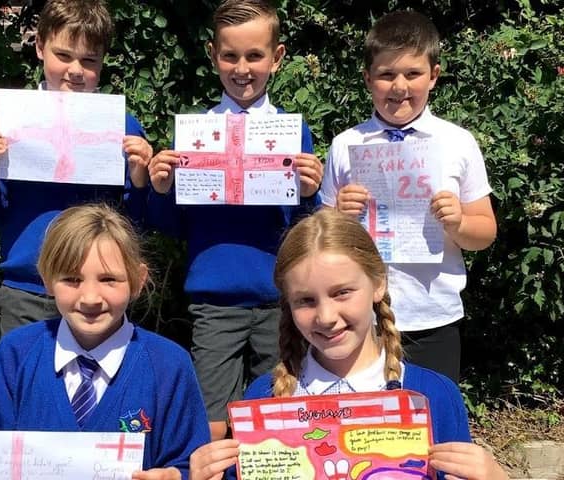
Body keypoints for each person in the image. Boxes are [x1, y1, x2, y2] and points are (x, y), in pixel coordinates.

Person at [187, 208, 508, 480]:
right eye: (306, 300)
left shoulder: (434, 394)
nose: (326, 316)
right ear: (286, 303)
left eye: (342, 292)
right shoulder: (263, 398)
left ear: (378, 283)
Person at [0, 204, 210, 480]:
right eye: (72, 280)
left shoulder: (169, 365)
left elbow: (191, 462)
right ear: (47, 280)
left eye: (109, 279)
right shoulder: (17, 354)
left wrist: (178, 476)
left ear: (137, 280)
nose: (90, 298)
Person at [146, 0, 323, 440]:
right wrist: (161, 189)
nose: (242, 68)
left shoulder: (292, 132)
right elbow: (170, 225)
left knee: (279, 418)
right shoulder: (193, 132)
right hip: (214, 300)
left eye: (254, 56)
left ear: (276, 58)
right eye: (230, 56)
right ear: (213, 55)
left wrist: (309, 194)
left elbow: (306, 226)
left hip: (280, 299)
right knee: (211, 422)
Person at [319, 10, 497, 382]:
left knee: (432, 420)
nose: (399, 86)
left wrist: (460, 222)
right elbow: (320, 238)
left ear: (434, 76)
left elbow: (485, 233)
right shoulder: (346, 144)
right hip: (359, 316)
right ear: (368, 79)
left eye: (413, 74)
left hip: (434, 314)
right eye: (386, 75)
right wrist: (339, 215)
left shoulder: (457, 142)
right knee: (368, 425)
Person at [0, 0, 153, 335]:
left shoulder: (122, 127)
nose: (75, 70)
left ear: (103, 61)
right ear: (39, 47)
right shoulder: (9, 121)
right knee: (27, 383)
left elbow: (137, 224)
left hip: (98, 292)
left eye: (89, 60)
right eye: (63, 55)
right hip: (27, 288)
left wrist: (140, 181)